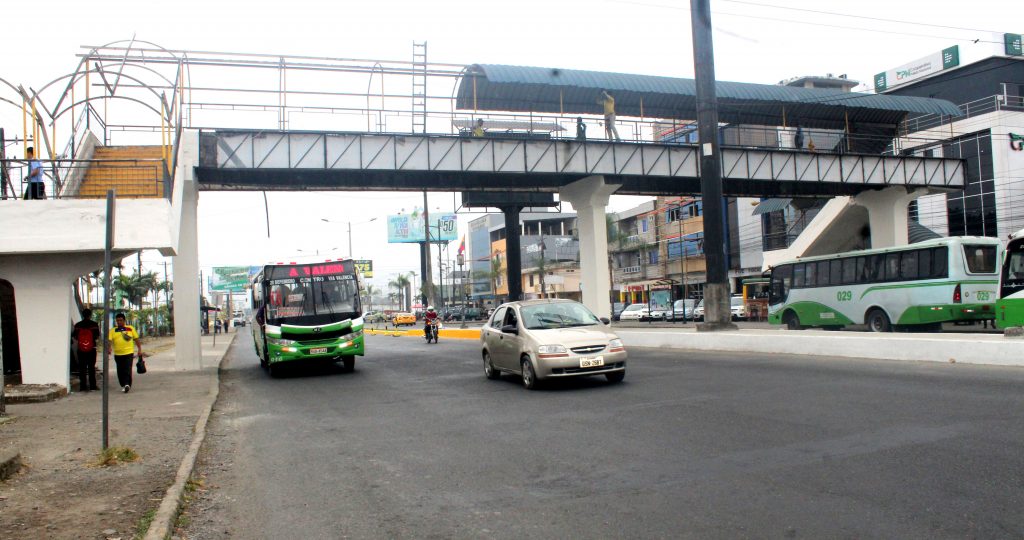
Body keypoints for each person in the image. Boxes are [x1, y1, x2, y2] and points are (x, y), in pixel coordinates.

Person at [108, 313, 142, 393]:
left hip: (128, 353)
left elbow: (136, 339)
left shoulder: (130, 328)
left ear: (124, 321)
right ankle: (123, 384)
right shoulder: (113, 330)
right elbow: (109, 340)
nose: (119, 322)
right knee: (120, 371)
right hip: (118, 354)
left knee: (127, 369)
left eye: (121, 320)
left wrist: (139, 349)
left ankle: (127, 384)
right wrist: (109, 348)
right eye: (117, 321)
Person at [71, 308, 100, 391]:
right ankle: (93, 386)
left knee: (82, 368)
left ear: (82, 315)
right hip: (92, 349)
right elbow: (97, 336)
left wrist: (82, 342)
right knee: (91, 368)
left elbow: (75, 336)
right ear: (90, 315)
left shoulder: (78, 325)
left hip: (81, 350)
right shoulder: (94, 325)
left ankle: (83, 386)